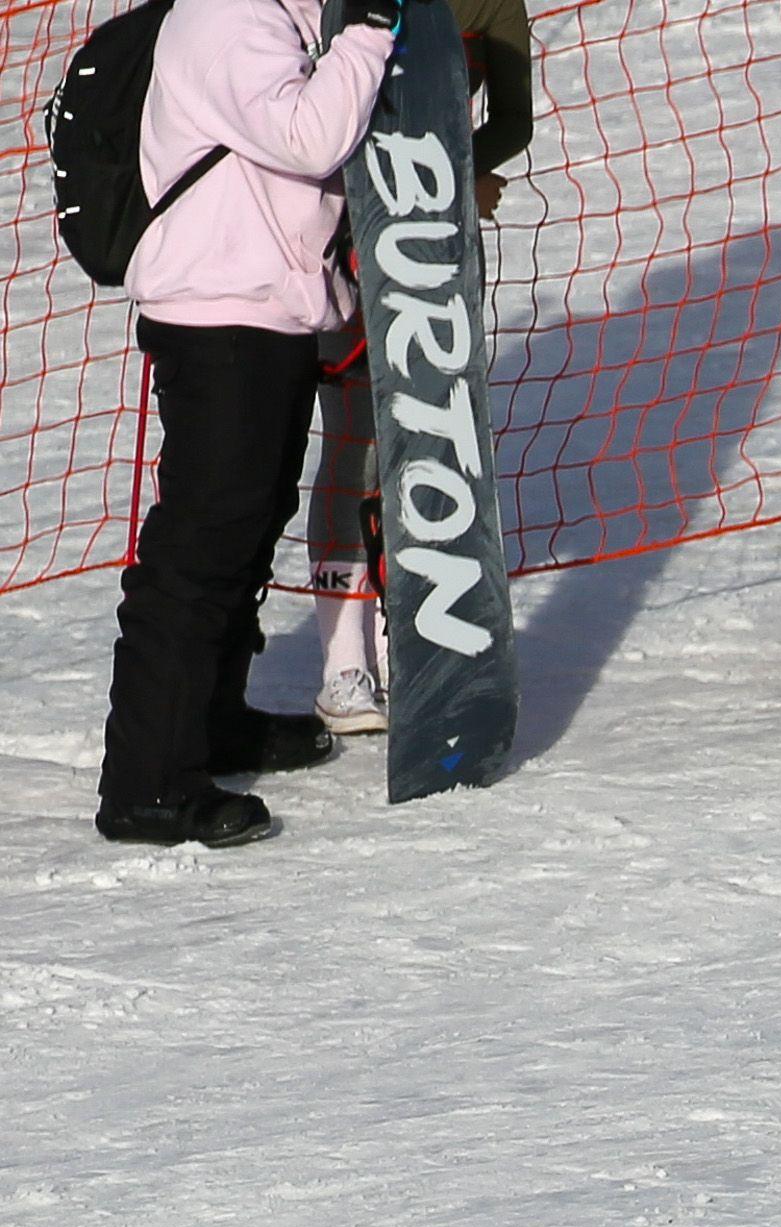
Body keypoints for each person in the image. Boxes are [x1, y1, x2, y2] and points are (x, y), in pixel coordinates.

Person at [97, 0, 397, 847]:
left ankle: (213, 721)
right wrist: (372, 32)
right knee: (198, 546)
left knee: (247, 526)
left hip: (269, 312)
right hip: (217, 316)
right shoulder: (226, 15)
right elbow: (308, 137)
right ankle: (147, 782)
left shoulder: (279, 15)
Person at [306, 0, 534, 736]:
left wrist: (456, 172)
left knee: (416, 438)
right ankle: (345, 664)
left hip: (420, 227)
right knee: (368, 440)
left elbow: (513, 121)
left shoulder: (492, 1)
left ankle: (404, 642)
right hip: (368, 228)